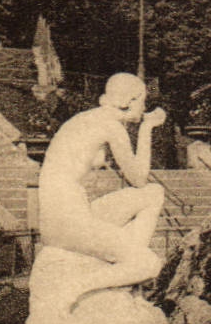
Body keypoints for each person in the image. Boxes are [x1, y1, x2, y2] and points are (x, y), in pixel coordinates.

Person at [36, 73, 167, 296]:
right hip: (69, 223)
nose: (144, 108)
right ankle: (76, 289)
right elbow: (138, 178)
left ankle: (126, 262)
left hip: (64, 217)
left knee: (154, 193)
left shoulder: (85, 119)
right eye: (143, 101)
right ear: (131, 101)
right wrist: (147, 129)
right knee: (149, 264)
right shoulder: (111, 126)